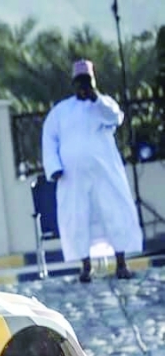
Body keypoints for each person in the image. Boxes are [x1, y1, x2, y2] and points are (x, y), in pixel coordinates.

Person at [41, 58, 143, 283]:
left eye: (87, 82)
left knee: (114, 213)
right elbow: (49, 140)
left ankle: (121, 263)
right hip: (72, 177)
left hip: (104, 173)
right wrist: (54, 167)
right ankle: (85, 266)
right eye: (79, 82)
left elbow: (115, 117)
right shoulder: (61, 111)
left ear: (94, 81)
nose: (83, 87)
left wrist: (96, 97)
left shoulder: (103, 105)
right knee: (77, 218)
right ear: (73, 84)